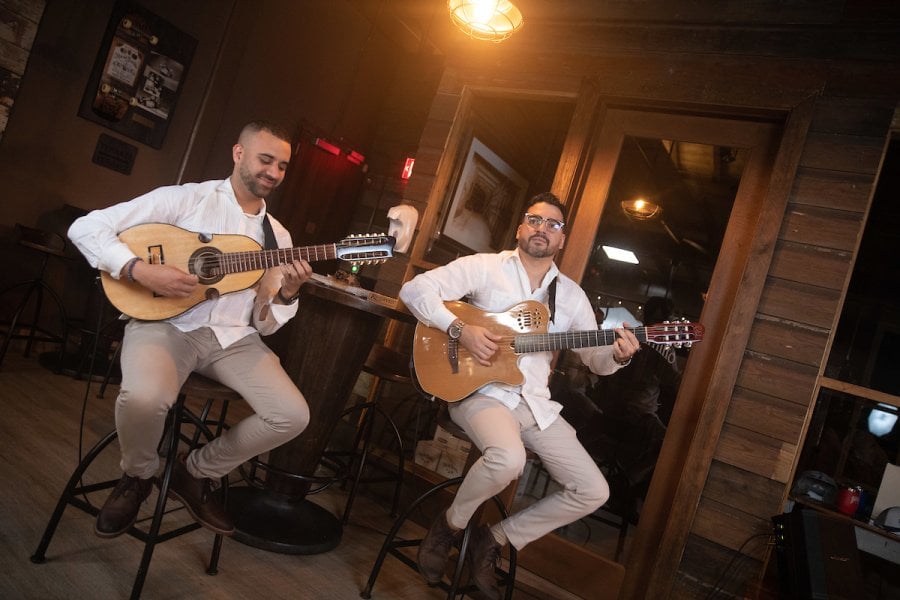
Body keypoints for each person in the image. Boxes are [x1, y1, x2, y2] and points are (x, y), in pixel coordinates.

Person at [68, 120, 312, 538]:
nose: (273, 172)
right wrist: (139, 270)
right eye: (265, 159)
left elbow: (264, 324)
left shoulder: (279, 239)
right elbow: (85, 228)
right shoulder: (185, 199)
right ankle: (139, 476)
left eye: (283, 166)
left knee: (291, 416)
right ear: (239, 154)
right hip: (168, 323)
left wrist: (288, 294)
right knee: (144, 398)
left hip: (234, 340)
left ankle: (193, 472)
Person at [399, 192, 641, 598]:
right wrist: (462, 330)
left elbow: (595, 359)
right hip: (481, 392)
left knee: (594, 490)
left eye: (553, 224)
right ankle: (449, 527)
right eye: (535, 220)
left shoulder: (571, 296)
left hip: (534, 404)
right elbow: (415, 291)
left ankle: (492, 540)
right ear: (520, 227)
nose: (542, 229)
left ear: (562, 239)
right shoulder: (486, 267)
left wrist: (617, 356)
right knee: (508, 459)